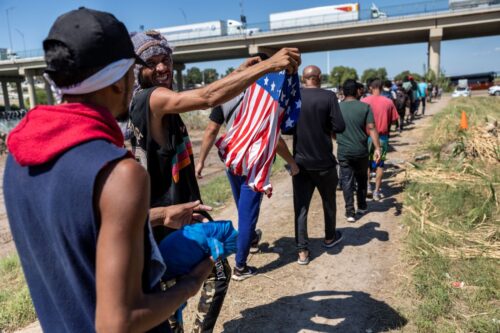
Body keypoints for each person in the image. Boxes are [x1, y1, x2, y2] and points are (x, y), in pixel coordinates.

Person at [3, 8, 212, 333]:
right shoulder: (119, 173)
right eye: (132, 70)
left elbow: (79, 231)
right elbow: (119, 322)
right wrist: (190, 284)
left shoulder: (18, 156)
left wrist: (158, 214)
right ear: (118, 80)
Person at [128, 30, 300, 332]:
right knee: (205, 277)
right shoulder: (149, 99)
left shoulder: (158, 102)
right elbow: (206, 97)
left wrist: (239, 73)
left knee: (199, 280)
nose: (161, 67)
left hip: (174, 223)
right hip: (162, 229)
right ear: (135, 70)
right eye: (150, 62)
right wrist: (268, 66)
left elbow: (206, 92)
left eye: (164, 59)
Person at [196, 72, 300, 281]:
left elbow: (211, 130)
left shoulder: (228, 94)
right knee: (247, 214)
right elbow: (275, 138)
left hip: (233, 158)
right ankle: (240, 267)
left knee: (243, 207)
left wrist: (201, 160)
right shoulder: (268, 97)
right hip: (255, 162)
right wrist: (291, 162)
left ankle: (250, 239)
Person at [288, 65, 345, 265]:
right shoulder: (329, 97)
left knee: (301, 207)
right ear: (319, 78)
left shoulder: (295, 97)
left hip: (300, 163)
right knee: (329, 202)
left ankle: (302, 251)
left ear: (304, 79)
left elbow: (286, 128)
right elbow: (340, 126)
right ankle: (329, 237)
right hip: (324, 163)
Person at [337, 79, 381, 222]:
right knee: (362, 180)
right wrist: (377, 148)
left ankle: (350, 212)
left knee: (347, 181)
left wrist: (339, 138)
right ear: (357, 91)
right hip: (361, 151)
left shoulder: (337, 108)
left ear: (343, 92)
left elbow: (331, 129)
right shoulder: (365, 107)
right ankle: (362, 206)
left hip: (344, 151)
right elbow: (372, 128)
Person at [361, 79, 399, 201]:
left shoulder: (364, 101)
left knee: (366, 163)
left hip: (366, 137)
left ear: (371, 88)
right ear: (382, 88)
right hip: (382, 137)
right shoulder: (388, 102)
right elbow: (394, 120)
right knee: (380, 164)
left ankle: (367, 187)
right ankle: (377, 192)